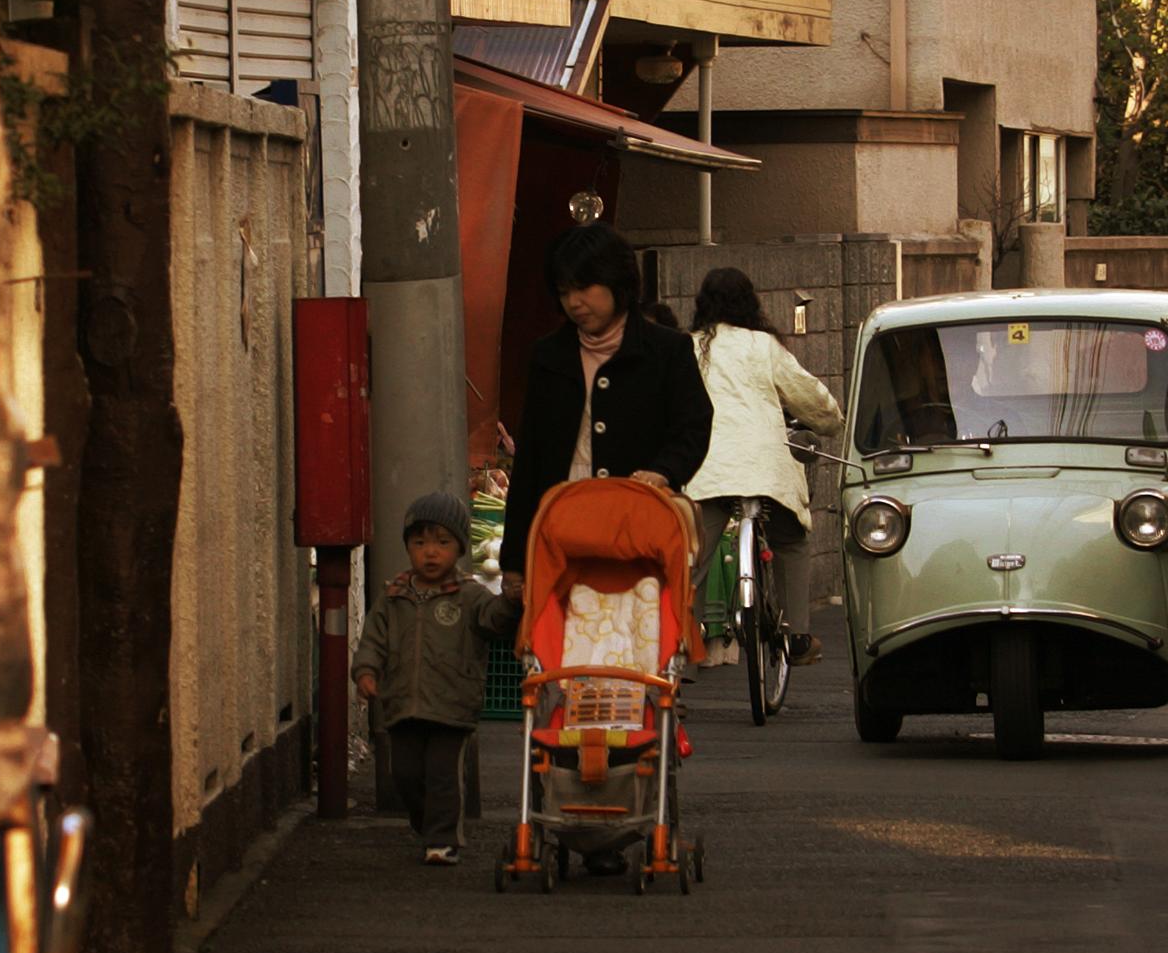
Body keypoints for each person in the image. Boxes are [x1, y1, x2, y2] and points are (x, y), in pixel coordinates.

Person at [496, 222, 713, 585]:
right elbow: (530, 459)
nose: (574, 303)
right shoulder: (548, 356)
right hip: (560, 533)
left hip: (639, 532)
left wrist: (663, 471)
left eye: (584, 287)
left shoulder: (667, 351)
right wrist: (515, 561)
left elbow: (693, 425)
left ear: (618, 281)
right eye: (564, 292)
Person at [682, 268, 844, 667]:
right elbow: (810, 397)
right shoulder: (764, 345)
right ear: (750, 303)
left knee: (691, 557)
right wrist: (830, 422)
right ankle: (797, 636)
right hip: (765, 469)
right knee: (790, 542)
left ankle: (681, 642)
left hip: (707, 468)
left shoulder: (688, 347)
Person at [353, 492, 519, 865]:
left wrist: (510, 601)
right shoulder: (393, 596)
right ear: (408, 546)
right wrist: (366, 670)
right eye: (420, 542)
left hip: (451, 704)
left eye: (442, 543)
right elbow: (373, 639)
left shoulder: (470, 595)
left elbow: (496, 621)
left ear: (460, 548)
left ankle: (443, 838)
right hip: (402, 703)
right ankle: (426, 822)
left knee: (444, 773)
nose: (430, 552)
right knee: (405, 773)